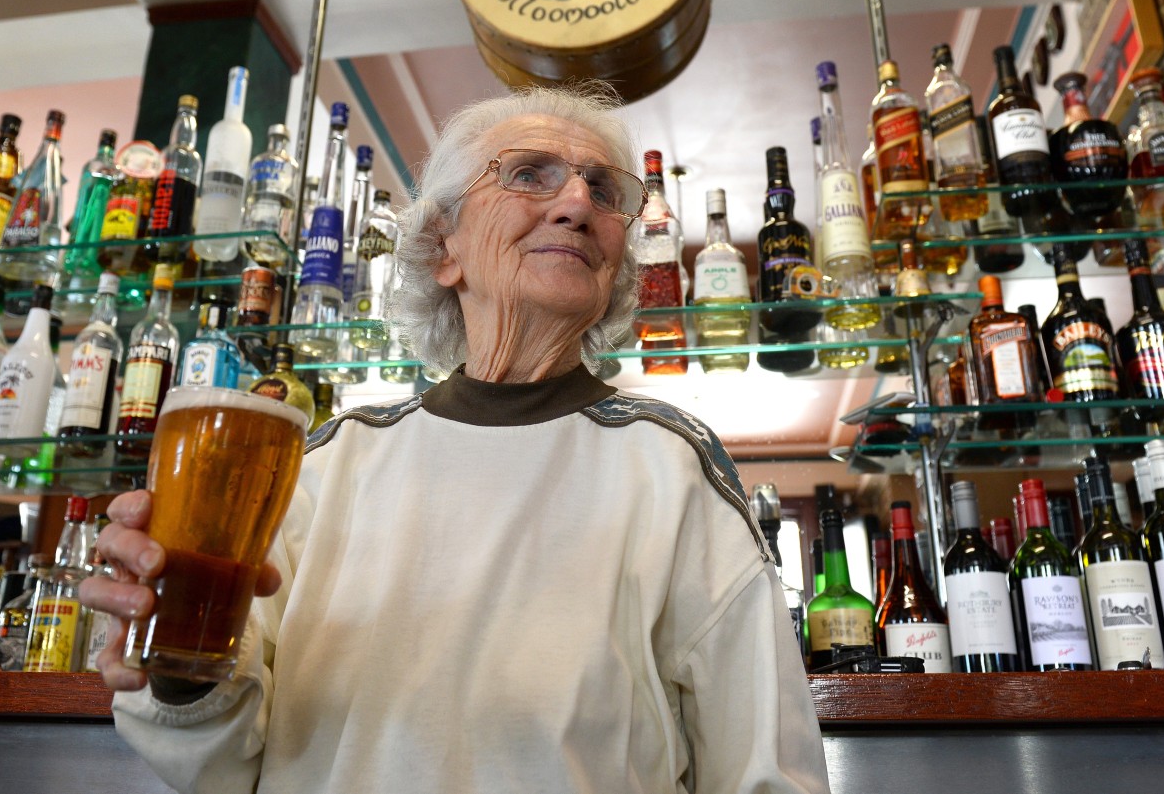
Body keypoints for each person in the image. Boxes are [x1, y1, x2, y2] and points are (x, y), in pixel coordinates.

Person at [83, 84, 830, 794]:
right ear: (445, 248)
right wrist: (180, 668)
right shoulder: (326, 465)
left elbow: (767, 771)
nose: (577, 203)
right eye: (530, 174)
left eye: (604, 190)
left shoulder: (672, 468)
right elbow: (214, 763)